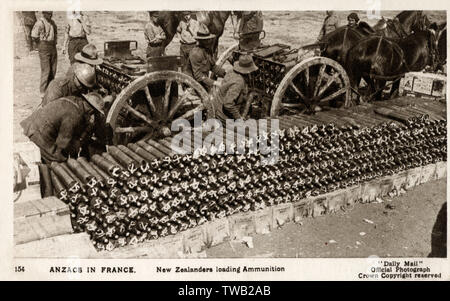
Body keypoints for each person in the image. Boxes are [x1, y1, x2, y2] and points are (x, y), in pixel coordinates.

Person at [20, 93, 105, 163]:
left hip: (31, 124)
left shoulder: (73, 99)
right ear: (91, 110)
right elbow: (62, 143)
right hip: (38, 134)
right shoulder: (75, 115)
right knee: (58, 162)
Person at [212, 54, 258, 122]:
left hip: (216, 106)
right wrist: (238, 118)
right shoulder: (239, 82)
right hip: (223, 116)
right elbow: (228, 104)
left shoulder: (231, 71)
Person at [187, 23, 226, 92]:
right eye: (206, 40)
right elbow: (198, 75)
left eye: (209, 39)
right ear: (200, 41)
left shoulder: (208, 50)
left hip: (204, 80)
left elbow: (213, 67)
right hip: (192, 82)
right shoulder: (195, 53)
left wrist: (225, 74)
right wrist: (215, 83)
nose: (209, 42)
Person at [31, 11, 58, 98]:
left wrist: (54, 42)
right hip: (44, 46)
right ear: (43, 13)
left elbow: (56, 33)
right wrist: (41, 44)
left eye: (50, 13)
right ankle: (42, 92)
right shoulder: (40, 23)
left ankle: (50, 90)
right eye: (47, 13)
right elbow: (34, 35)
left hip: (52, 46)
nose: (50, 15)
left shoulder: (52, 22)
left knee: (53, 69)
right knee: (46, 70)